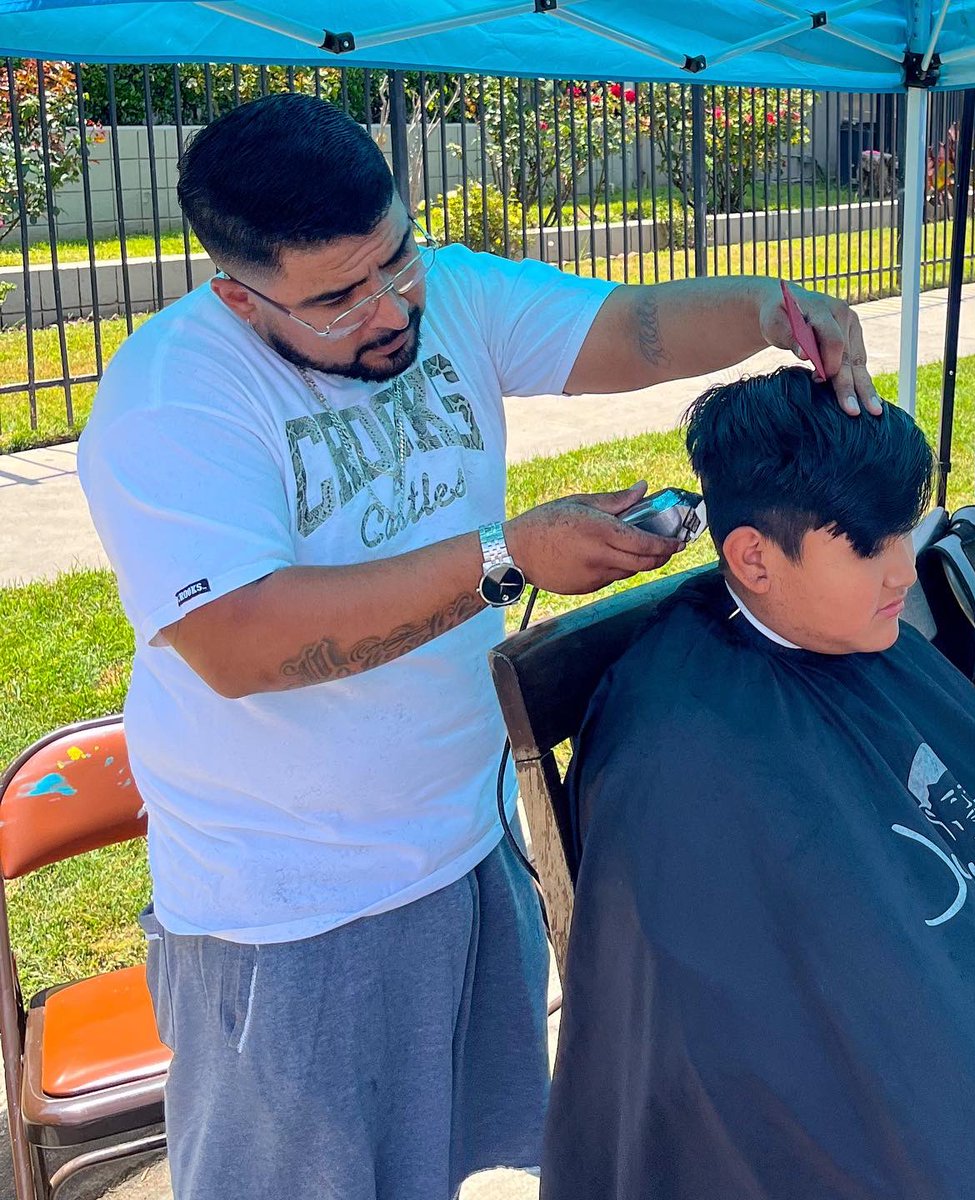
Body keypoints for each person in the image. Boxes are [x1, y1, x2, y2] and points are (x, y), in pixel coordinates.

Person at [76, 92, 879, 1200]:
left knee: (440, 1171)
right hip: (289, 909)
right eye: (337, 299)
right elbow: (239, 642)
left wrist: (774, 310)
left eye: (396, 259)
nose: (389, 308)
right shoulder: (172, 399)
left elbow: (633, 328)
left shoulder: (445, 293)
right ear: (236, 293)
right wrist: (503, 558)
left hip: (461, 846)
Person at [542, 366, 975, 1200]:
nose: (903, 573)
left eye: (903, 534)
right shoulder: (677, 749)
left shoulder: (872, 643)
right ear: (753, 558)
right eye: (870, 546)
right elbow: (730, 1065)